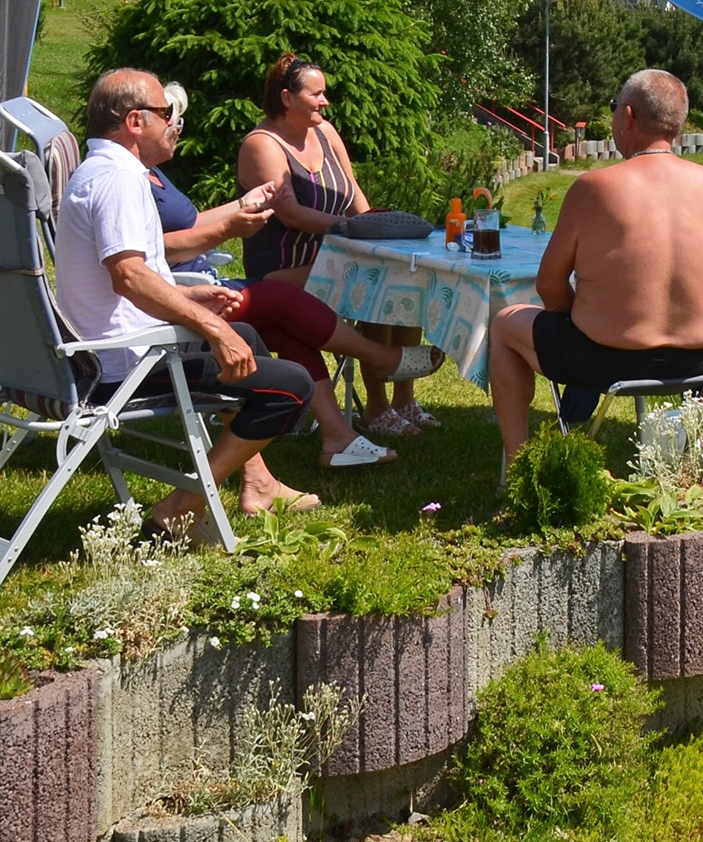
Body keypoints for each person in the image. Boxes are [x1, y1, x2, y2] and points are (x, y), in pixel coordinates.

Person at [54, 66, 320, 526]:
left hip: (103, 348)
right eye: (165, 112)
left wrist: (193, 297)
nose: (173, 121)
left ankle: (259, 483)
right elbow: (129, 277)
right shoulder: (119, 178)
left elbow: (129, 275)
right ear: (136, 122)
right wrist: (211, 328)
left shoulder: (99, 170)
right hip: (121, 365)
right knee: (289, 386)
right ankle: (184, 504)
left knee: (248, 339)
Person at [488, 68, 703, 482]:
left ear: (627, 117)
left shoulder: (595, 187)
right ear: (678, 125)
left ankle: (519, 471)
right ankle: (702, 456)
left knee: (503, 323)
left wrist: (580, 317)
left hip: (603, 361)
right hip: (698, 359)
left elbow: (549, 286)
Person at [143, 82, 413, 470]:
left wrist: (240, 204)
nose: (177, 130)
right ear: (137, 123)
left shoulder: (151, 175)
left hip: (197, 287)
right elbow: (151, 253)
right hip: (178, 298)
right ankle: (380, 358)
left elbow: (184, 226)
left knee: (288, 323)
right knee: (280, 298)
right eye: (170, 120)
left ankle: (338, 436)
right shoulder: (127, 181)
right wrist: (228, 230)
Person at [237, 53, 442, 437]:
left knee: (398, 268)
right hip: (283, 269)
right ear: (286, 98)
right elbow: (291, 213)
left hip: (335, 257)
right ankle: (377, 405)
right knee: (375, 280)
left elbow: (353, 193)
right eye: (316, 94)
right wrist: (351, 229)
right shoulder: (262, 145)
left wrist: (377, 231)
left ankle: (403, 398)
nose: (325, 101)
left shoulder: (325, 133)